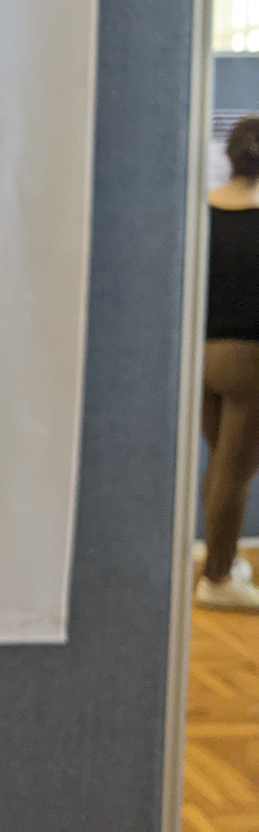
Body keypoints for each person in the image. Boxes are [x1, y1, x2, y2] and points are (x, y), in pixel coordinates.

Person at [198, 116, 259, 610]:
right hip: (249, 362)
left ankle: (223, 560)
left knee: (220, 464)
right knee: (235, 471)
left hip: (202, 356)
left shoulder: (204, 211)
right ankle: (218, 578)